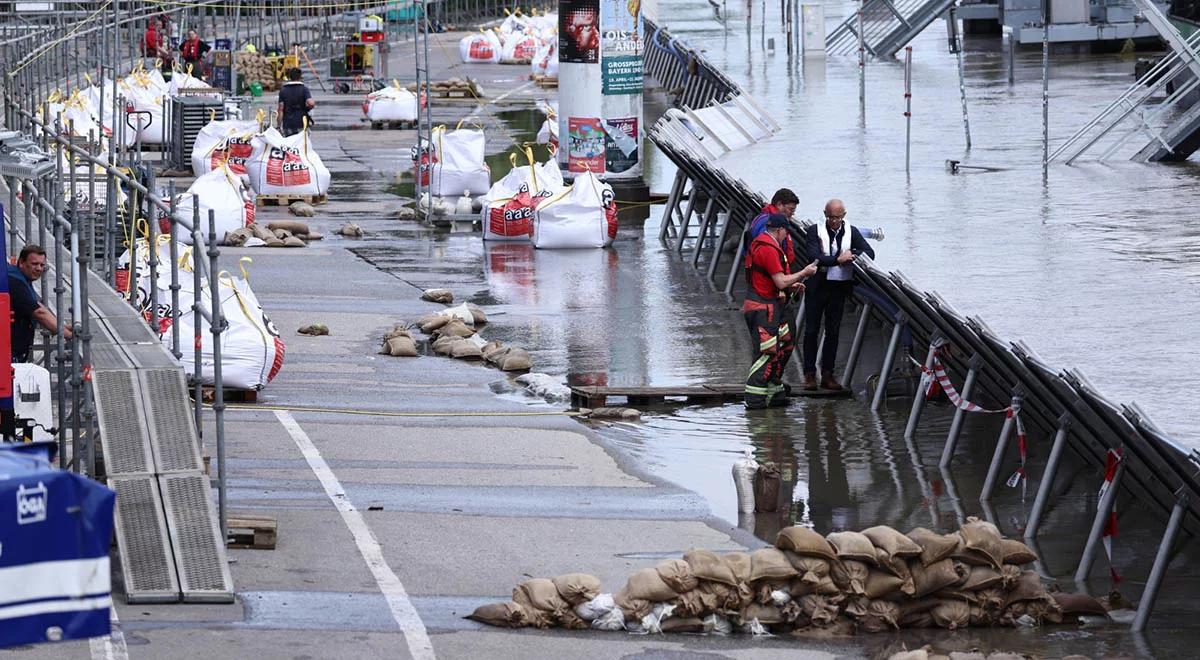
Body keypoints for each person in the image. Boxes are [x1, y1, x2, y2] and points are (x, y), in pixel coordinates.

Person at [743, 213, 818, 410]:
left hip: (770, 305)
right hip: (763, 309)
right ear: (780, 230)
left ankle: (773, 392)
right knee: (766, 353)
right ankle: (755, 402)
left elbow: (773, 281)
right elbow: (779, 281)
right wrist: (803, 273)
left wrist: (792, 286)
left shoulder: (766, 245)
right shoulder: (768, 250)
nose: (788, 236)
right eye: (787, 232)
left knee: (783, 346)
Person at [801, 198, 875, 391]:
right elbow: (814, 257)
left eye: (838, 218)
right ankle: (809, 374)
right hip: (817, 285)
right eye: (831, 217)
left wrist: (852, 255)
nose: (834, 221)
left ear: (844, 216)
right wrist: (837, 260)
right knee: (811, 331)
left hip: (838, 287)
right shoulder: (813, 231)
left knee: (833, 331)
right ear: (825, 215)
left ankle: (828, 374)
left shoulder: (851, 230)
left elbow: (869, 252)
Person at [8, 245, 71, 363]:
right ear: (21, 262)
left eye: (42, 265)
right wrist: (68, 335)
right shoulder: (15, 281)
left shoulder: (21, 278)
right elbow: (39, 313)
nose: (39, 268)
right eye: (34, 264)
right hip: (9, 352)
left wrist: (62, 327)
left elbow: (38, 306)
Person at [277, 68, 315, 137]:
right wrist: (308, 108)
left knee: (289, 145)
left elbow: (280, 109)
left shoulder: (283, 90)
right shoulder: (304, 89)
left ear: (289, 77)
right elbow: (311, 103)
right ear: (300, 77)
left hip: (287, 124)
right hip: (301, 122)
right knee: (301, 144)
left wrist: (279, 126)